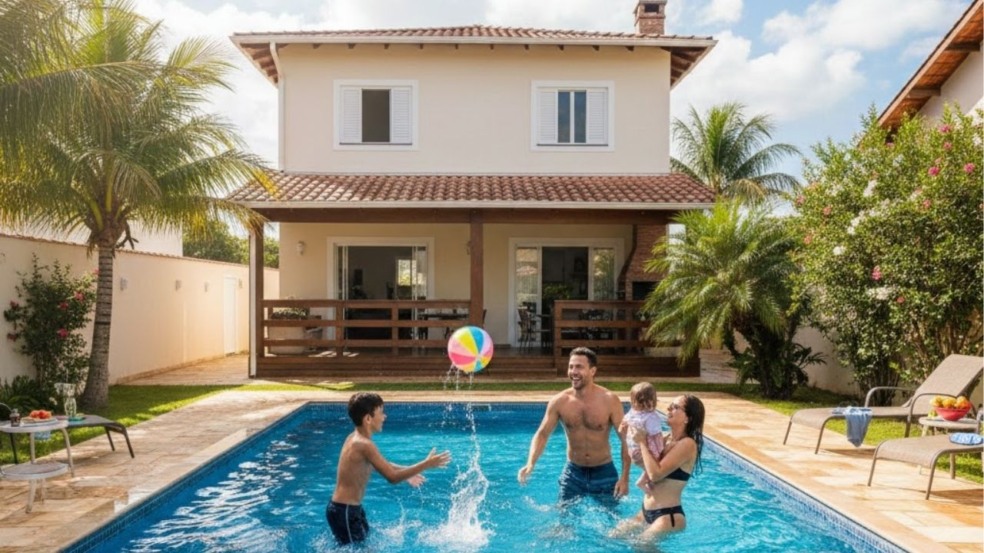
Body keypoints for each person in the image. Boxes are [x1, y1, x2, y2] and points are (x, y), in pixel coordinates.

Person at [327, 392, 451, 545]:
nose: (384, 417)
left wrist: (408, 473)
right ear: (368, 419)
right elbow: (391, 477)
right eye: (381, 413)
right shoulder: (364, 445)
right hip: (345, 510)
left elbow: (383, 465)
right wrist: (425, 464)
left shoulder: (355, 438)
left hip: (348, 509)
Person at [517, 346, 630, 505]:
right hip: (573, 473)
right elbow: (542, 434)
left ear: (592, 371)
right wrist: (530, 463)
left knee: (612, 522)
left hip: (604, 472)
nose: (573, 371)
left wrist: (625, 478)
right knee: (563, 521)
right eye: (571, 366)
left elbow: (626, 439)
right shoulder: (559, 401)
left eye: (579, 367)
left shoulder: (610, 400)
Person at [615, 394, 705, 537]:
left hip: (666, 516)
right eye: (670, 405)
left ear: (687, 418)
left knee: (639, 547)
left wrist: (642, 442)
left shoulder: (688, 444)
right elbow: (638, 459)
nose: (668, 408)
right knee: (613, 538)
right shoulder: (664, 438)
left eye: (675, 407)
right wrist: (627, 436)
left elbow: (655, 474)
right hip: (645, 512)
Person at [623, 382, 665, 495]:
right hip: (641, 450)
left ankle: (648, 482)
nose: (646, 405)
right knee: (658, 462)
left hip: (633, 451)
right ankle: (643, 482)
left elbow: (624, 421)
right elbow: (655, 434)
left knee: (651, 466)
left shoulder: (633, 412)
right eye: (643, 402)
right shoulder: (651, 416)